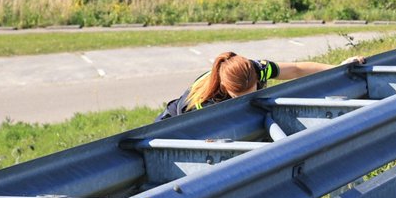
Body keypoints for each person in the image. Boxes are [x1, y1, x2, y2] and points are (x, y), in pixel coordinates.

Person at [156, 51, 365, 119]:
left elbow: (297, 69)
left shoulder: (257, 68)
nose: (248, 98)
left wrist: (338, 67)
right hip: (175, 122)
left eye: (252, 91)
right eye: (241, 96)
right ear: (226, 89)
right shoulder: (206, 101)